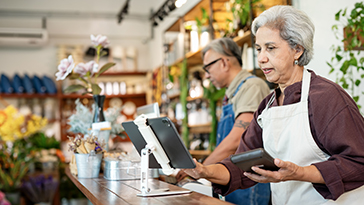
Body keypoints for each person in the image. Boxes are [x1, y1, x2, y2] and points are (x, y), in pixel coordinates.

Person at [181, 5, 364, 204]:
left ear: (297, 49)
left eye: (271, 48)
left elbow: (359, 161)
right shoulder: (267, 106)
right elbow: (240, 167)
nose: (261, 58)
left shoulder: (327, 97)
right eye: (259, 49)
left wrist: (300, 173)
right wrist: (204, 170)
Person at [176, 37, 271, 204]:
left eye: (208, 67)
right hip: (233, 179)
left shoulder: (252, 86)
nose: (206, 74)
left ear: (224, 63)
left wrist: (202, 169)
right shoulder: (232, 93)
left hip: (250, 183)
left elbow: (237, 139)